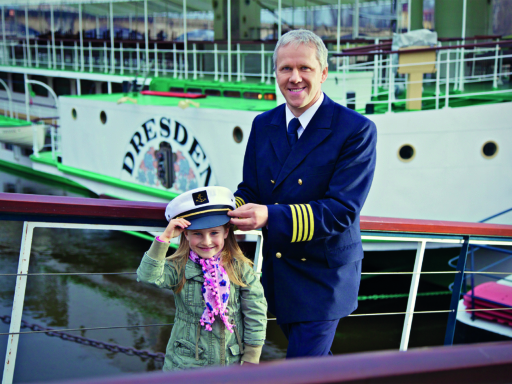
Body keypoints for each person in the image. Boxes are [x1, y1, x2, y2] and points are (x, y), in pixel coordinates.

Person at [228, 29, 377, 358]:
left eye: (305, 68)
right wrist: (223, 209)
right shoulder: (262, 124)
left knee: (301, 368)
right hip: (280, 273)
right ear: (276, 73)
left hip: (325, 277)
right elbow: (251, 189)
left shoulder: (355, 130)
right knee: (315, 364)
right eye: (285, 69)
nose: (294, 78)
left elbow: (341, 210)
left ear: (323, 73)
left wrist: (269, 215)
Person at [137, 186, 267, 370]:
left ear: (226, 232)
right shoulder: (179, 266)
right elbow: (147, 277)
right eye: (197, 233)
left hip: (231, 361)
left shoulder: (240, 267)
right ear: (186, 234)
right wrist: (165, 237)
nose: (206, 241)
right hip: (186, 364)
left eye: (214, 233)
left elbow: (256, 312)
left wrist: (251, 357)